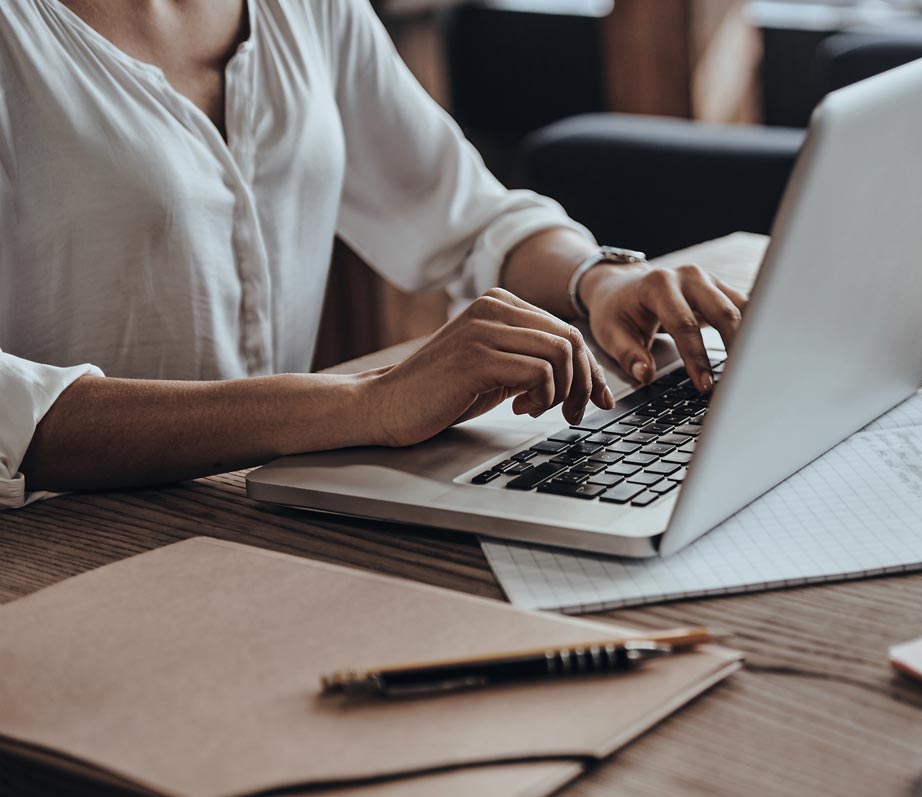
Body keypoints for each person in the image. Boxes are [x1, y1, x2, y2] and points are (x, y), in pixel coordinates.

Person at [0, 0, 748, 510]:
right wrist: (367, 403)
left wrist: (599, 278)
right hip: (56, 541)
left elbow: (460, 208)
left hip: (257, 510)